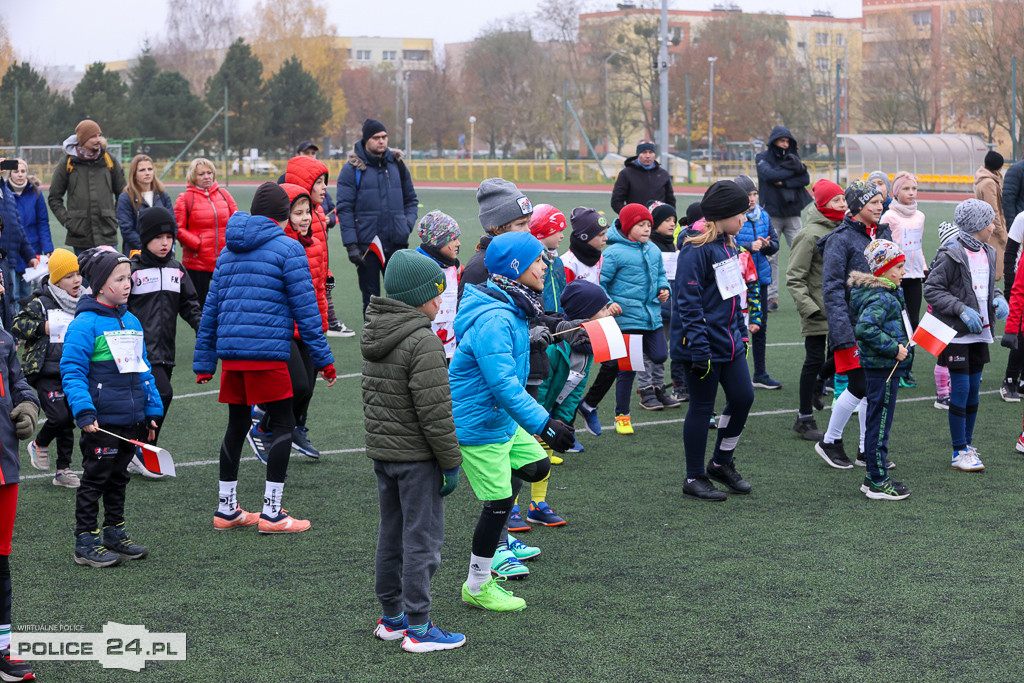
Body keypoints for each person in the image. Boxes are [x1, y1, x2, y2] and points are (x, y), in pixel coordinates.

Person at [194, 183, 336, 534]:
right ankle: (272, 512)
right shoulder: (289, 249)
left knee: (236, 424)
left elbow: (210, 309)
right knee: (284, 424)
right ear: (283, 214)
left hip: (233, 356)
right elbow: (306, 312)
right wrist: (325, 360)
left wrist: (203, 362)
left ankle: (226, 508)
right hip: (269, 351)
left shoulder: (228, 251)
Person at [449, 231, 574, 612]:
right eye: (537, 259)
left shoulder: (513, 305)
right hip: (479, 425)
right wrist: (545, 423)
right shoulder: (497, 318)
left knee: (535, 467)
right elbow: (503, 384)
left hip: (499, 419)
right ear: (516, 267)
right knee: (499, 502)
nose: (545, 264)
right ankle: (478, 582)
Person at [362, 249, 466, 653]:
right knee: (422, 540)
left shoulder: (376, 330)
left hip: (384, 455)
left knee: (391, 534)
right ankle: (419, 627)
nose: (441, 301)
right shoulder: (422, 341)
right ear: (416, 296)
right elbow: (436, 414)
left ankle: (392, 618)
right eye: (435, 293)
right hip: (417, 459)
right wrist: (451, 463)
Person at [62, 248, 161, 567]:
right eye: (119, 279)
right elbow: (73, 371)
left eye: (128, 277)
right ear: (101, 284)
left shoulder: (131, 320)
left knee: (119, 478)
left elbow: (143, 368)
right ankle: (85, 541)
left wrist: (152, 409)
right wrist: (84, 411)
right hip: (101, 422)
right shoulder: (85, 324)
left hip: (131, 420)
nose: (127, 283)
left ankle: (114, 533)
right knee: (95, 480)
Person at [671, 180, 756, 501]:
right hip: (702, 347)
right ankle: (694, 477)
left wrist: (741, 333)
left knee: (744, 398)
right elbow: (687, 303)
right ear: (723, 214)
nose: (745, 219)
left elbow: (732, 295)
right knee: (702, 406)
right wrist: (699, 348)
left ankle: (721, 461)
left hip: (729, 343)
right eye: (741, 213)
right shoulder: (695, 250)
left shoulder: (728, 246)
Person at [925, 199, 1008, 472]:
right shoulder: (950, 252)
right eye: (991, 221)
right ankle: (958, 450)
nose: (994, 226)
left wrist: (997, 298)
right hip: (957, 335)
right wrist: (960, 309)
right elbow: (932, 290)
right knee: (960, 389)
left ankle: (967, 445)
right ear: (977, 226)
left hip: (981, 333)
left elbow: (984, 287)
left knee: (973, 391)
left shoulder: (988, 251)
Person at [247, 184, 329, 460]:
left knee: (307, 390)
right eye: (298, 213)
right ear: (284, 216)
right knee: (298, 386)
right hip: (283, 329)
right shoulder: (279, 248)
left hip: (309, 327)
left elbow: (317, 289)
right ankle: (264, 428)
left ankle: (291, 429)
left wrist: (322, 323)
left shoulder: (315, 244)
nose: (305, 218)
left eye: (308, 212)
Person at [816, 180, 893, 470]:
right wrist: (842, 331)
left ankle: (865, 448)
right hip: (851, 326)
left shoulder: (883, 233)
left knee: (873, 386)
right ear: (858, 206)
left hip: (877, 325)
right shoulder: (841, 239)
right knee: (860, 385)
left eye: (881, 201)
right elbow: (832, 289)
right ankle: (830, 440)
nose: (880, 206)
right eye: (873, 203)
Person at [527, 280, 613, 523]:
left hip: (549, 412)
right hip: (530, 410)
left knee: (544, 452)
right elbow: (539, 385)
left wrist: (562, 420)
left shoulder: (588, 346)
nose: (608, 313)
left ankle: (538, 504)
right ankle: (511, 508)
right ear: (586, 315)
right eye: (603, 309)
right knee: (520, 457)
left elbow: (577, 386)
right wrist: (539, 421)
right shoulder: (554, 346)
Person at [127, 207, 202, 477]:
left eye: (169, 237)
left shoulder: (176, 270)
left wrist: (202, 329)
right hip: (138, 354)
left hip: (165, 352)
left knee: (152, 403)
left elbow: (190, 305)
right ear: (145, 238)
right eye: (158, 237)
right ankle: (142, 451)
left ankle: (138, 452)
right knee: (163, 394)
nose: (165, 242)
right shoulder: (132, 271)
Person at [12, 249, 82, 488]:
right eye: (69, 276)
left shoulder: (83, 301)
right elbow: (17, 325)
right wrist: (43, 327)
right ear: (56, 280)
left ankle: (63, 470)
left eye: (78, 274)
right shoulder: (40, 301)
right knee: (60, 416)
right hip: (45, 372)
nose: (77, 280)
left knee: (68, 420)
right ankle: (38, 443)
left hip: (72, 371)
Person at [598, 203, 670, 434]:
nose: (647, 229)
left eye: (649, 224)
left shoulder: (654, 250)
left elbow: (661, 275)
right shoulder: (612, 252)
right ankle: (622, 416)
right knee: (627, 369)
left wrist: (664, 288)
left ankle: (650, 387)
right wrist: (609, 303)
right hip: (626, 320)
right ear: (628, 227)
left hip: (651, 317)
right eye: (641, 225)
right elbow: (601, 283)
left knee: (660, 354)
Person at [849, 239, 913, 500]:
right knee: (880, 423)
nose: (904, 272)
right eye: (899, 267)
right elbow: (865, 329)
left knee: (879, 422)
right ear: (885, 270)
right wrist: (893, 348)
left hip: (884, 368)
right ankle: (877, 481)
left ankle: (872, 478)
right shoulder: (882, 297)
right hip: (882, 368)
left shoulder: (887, 292)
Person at [337, 119, 418, 312]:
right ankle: (372, 342)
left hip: (397, 242)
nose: (381, 141)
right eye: (376, 138)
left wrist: (406, 225)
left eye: (384, 137)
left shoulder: (397, 165)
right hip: (367, 246)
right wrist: (351, 245)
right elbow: (345, 208)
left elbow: (411, 200)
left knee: (400, 301)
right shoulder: (352, 169)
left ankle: (399, 341)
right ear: (366, 140)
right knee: (371, 303)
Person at [787, 179, 845, 442]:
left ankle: (821, 381)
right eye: (836, 200)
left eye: (843, 199)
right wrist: (809, 308)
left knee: (844, 352)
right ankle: (804, 417)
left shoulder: (843, 229)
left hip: (839, 307)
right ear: (822, 204)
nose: (842, 204)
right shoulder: (809, 234)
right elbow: (794, 277)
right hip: (816, 309)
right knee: (813, 360)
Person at [0, 302, 40, 681]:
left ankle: (2, 649)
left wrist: (28, 405)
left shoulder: (3, 338)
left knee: (0, 562)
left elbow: (19, 383)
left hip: (3, 469)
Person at [47, 120, 127, 253]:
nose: (98, 140)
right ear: (82, 140)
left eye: (99, 135)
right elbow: (54, 197)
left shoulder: (109, 160)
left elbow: (123, 194)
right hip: (80, 236)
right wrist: (68, 222)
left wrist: (114, 217)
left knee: (111, 273)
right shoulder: (67, 163)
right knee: (84, 274)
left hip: (107, 234)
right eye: (93, 136)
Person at [754, 125, 811, 311]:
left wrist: (783, 181)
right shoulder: (762, 158)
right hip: (771, 215)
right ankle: (772, 298)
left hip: (793, 213)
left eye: (787, 141)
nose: (785, 144)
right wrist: (793, 172)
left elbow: (805, 179)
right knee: (772, 257)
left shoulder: (794, 158)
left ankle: (806, 296)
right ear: (773, 141)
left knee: (802, 254)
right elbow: (768, 175)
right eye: (782, 140)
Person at [879, 172, 926, 389]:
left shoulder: (920, 216)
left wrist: (924, 268)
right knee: (895, 321)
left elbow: (918, 246)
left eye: (914, 189)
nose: (911, 193)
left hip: (914, 276)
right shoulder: (889, 216)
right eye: (906, 189)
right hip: (895, 278)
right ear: (896, 192)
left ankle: (907, 369)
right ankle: (892, 366)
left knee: (913, 324)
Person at [734, 174, 781, 389]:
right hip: (737, 280)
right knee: (737, 327)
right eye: (747, 195)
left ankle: (760, 373)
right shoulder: (732, 217)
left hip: (760, 278)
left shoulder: (763, 215)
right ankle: (737, 374)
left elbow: (776, 244)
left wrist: (765, 245)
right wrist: (748, 245)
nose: (752, 199)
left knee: (759, 325)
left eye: (754, 194)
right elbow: (728, 244)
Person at [174, 157, 238, 307]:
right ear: (193, 177)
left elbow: (237, 221)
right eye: (201, 174)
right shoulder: (185, 198)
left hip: (224, 261)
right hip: (197, 264)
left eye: (209, 172)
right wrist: (197, 244)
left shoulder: (224, 195)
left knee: (226, 306)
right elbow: (177, 228)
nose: (206, 177)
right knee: (200, 309)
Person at [636, 201, 683, 410]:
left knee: (661, 351)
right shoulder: (648, 246)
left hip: (668, 308)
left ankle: (658, 387)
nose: (672, 224)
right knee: (646, 352)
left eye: (674, 220)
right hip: (650, 308)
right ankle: (645, 390)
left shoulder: (671, 245)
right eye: (667, 220)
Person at [458, 178, 533, 300]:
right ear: (497, 229)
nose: (528, 230)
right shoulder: (479, 267)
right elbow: (465, 311)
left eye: (528, 223)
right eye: (520, 224)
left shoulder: (521, 257)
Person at [415, 211, 462, 360]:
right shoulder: (420, 268)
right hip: (426, 349)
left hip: (451, 348)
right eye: (453, 239)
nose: (458, 243)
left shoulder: (455, 268)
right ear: (437, 241)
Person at [4, 159, 51, 302]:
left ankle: (26, 322)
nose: (20, 175)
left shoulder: (35, 193)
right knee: (12, 292)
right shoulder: (4, 193)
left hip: (31, 249)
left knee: (27, 294)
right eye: (16, 171)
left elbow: (43, 222)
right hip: (11, 249)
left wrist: (48, 247)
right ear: (10, 174)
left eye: (23, 171)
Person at [116, 154, 174, 256]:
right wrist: (149, 246)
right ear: (134, 174)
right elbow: (127, 231)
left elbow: (172, 224)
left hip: (164, 255)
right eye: (142, 170)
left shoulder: (162, 195)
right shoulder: (126, 198)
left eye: (150, 169)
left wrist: (168, 245)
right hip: (138, 254)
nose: (147, 173)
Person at [610, 140, 675, 215]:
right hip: (636, 221)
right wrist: (630, 215)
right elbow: (616, 201)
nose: (648, 156)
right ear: (638, 154)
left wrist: (666, 217)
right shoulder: (626, 173)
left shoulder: (663, 174)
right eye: (644, 152)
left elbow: (670, 201)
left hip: (658, 222)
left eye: (651, 152)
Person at [934, 221, 959, 410]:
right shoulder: (946, 259)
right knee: (943, 356)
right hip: (943, 315)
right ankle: (942, 395)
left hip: (946, 314)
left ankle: (946, 390)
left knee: (948, 354)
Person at [974, 150, 1007, 281]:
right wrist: (1001, 233)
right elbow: (993, 211)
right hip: (991, 231)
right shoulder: (989, 183)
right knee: (994, 273)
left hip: (986, 229)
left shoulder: (984, 180)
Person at [561, 207, 608, 286]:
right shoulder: (568, 264)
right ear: (585, 237)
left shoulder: (599, 257)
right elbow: (564, 296)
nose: (606, 238)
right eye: (601, 235)